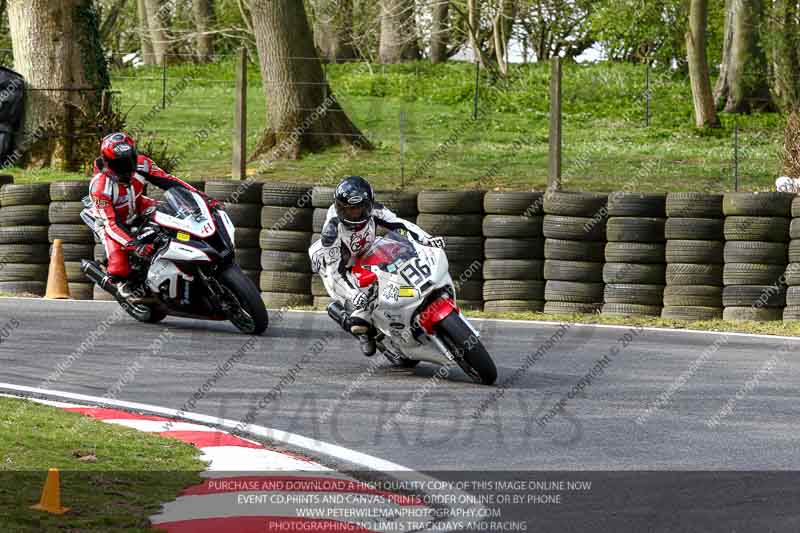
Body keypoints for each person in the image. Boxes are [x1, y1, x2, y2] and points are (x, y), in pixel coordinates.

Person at [309, 176, 446, 356]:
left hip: (367, 249)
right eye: (348, 210)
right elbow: (335, 274)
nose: (354, 214)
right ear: (340, 208)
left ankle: (410, 297)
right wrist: (353, 294)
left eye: (359, 208)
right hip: (341, 268)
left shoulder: (375, 210)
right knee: (360, 313)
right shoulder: (331, 232)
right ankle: (363, 333)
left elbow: (399, 224)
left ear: (368, 204)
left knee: (400, 252)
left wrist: (426, 239)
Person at [89, 132, 221, 299]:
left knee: (178, 219)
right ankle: (123, 285)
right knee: (119, 269)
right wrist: (136, 245)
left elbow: (170, 181)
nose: (126, 168)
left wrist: (203, 198)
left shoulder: (142, 164)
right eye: (119, 164)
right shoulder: (99, 187)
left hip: (139, 205)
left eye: (129, 160)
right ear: (108, 162)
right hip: (110, 223)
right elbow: (111, 224)